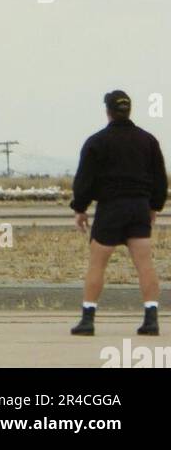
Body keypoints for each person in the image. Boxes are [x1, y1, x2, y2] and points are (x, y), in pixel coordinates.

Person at [69, 90, 167, 336]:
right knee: (145, 264)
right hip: (138, 207)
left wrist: (80, 208)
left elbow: (84, 179)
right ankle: (151, 319)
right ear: (129, 110)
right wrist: (154, 206)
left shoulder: (96, 142)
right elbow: (159, 179)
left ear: (108, 112)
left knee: (97, 264)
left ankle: (88, 320)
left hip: (111, 208)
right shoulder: (148, 141)